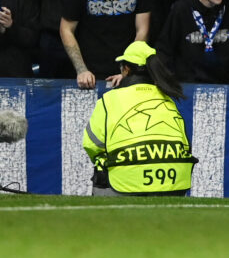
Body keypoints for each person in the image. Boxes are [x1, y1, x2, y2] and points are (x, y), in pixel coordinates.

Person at [82, 42, 195, 196]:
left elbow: (91, 144)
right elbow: (186, 145)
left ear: (126, 69)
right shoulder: (168, 100)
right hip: (174, 185)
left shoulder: (109, 99)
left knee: (101, 165)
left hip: (125, 185)